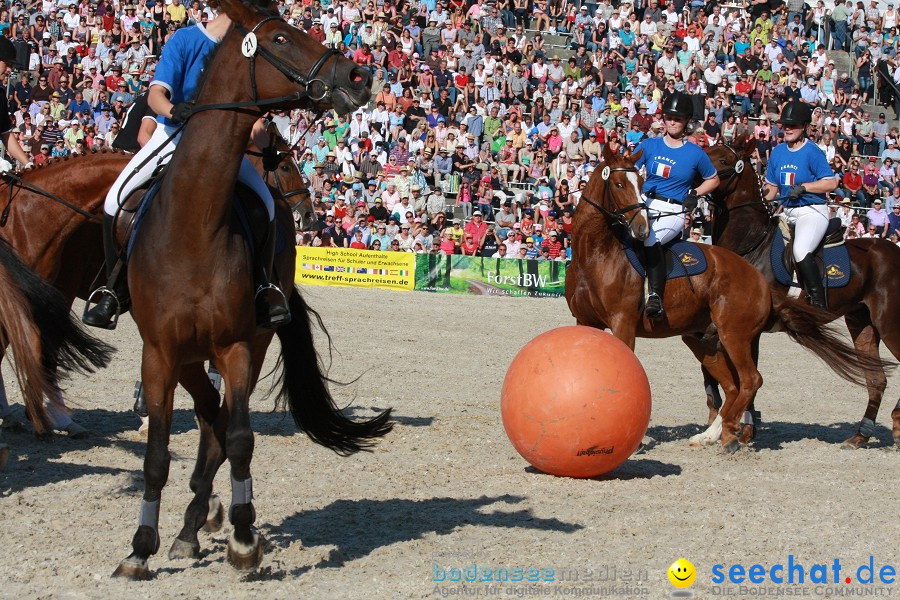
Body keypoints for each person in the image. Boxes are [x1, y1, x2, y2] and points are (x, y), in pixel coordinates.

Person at [84, 10, 289, 331]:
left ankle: (263, 287)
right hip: (172, 134)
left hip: (219, 144)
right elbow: (155, 95)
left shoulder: (245, 48)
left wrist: (262, 131)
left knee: (266, 203)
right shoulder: (186, 39)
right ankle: (114, 288)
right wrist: (172, 110)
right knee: (115, 199)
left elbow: (254, 111)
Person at [633, 92, 720, 320]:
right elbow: (629, 167)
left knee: (650, 239)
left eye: (678, 118)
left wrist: (695, 193)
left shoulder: (695, 153)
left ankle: (655, 297)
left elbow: (714, 179)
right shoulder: (649, 144)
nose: (672, 122)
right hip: (645, 203)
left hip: (674, 210)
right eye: (669, 117)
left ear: (686, 121)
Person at [764, 101, 839, 309]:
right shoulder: (777, 152)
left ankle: (817, 301)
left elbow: (831, 182)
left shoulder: (812, 151)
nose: (787, 128)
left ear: (805, 126)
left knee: (800, 249)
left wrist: (805, 187)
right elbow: (771, 189)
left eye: (793, 125)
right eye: (784, 124)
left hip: (812, 212)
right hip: (787, 212)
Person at [0, 37, 34, 171]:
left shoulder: (1, 95)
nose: (9, 70)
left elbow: (6, 135)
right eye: (7, 64)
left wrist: (28, 164)